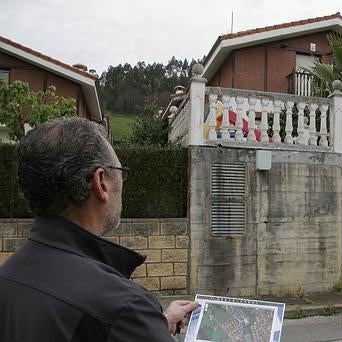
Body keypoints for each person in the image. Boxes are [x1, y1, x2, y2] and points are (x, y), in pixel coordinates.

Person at [0, 117, 196, 341]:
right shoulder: (124, 307)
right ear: (100, 182)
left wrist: (155, 324)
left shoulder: (7, 277)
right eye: (121, 171)